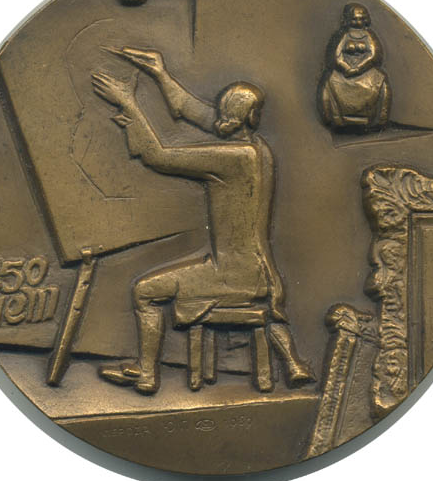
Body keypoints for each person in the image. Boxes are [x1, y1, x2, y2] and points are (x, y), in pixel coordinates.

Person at [91, 48, 315, 394]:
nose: (215, 118)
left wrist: (128, 103)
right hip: (259, 271)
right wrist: (160, 73)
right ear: (252, 117)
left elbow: (158, 156)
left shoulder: (234, 159)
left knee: (144, 291)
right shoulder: (259, 148)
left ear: (233, 118)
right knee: (152, 288)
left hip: (232, 274)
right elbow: (196, 112)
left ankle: (147, 374)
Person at [319, 3, 391, 133]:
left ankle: (377, 120)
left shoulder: (369, 35)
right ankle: (336, 118)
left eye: (360, 19)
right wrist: (346, 68)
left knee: (381, 81)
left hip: (366, 71)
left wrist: (359, 68)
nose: (358, 22)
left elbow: (374, 54)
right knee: (329, 80)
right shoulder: (343, 35)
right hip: (344, 72)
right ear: (347, 19)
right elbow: (336, 55)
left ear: (365, 19)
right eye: (354, 19)